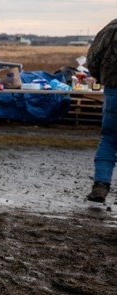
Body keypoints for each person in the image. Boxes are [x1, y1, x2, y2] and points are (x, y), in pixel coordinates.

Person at [86, 18, 117, 203]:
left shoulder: (112, 28)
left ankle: (100, 186)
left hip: (114, 90)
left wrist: (101, 77)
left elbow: (93, 58)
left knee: (109, 140)